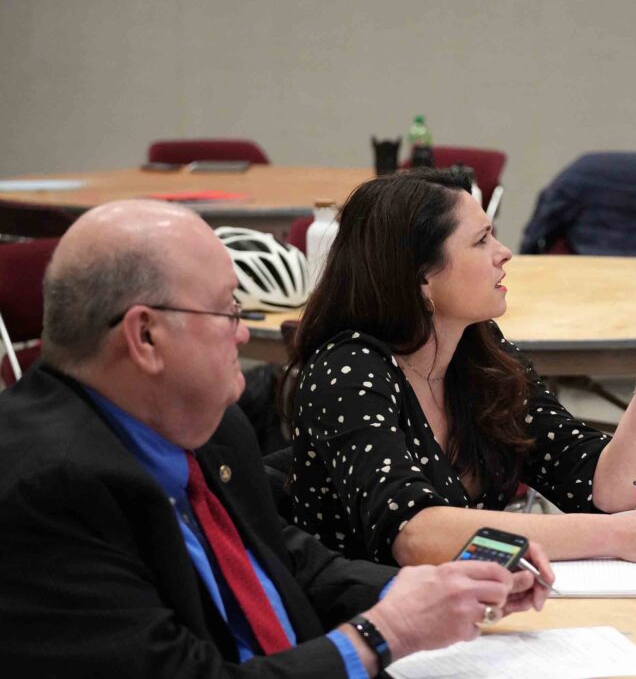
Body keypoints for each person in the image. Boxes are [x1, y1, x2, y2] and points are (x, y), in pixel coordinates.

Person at [0, 200, 551, 678]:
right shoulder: (47, 494)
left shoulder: (212, 429)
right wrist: (385, 633)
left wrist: (436, 592)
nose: (241, 333)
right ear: (145, 335)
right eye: (226, 310)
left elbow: (286, 560)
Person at [285, 169, 636, 566]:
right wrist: (621, 537)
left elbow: (607, 491)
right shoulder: (348, 370)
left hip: (468, 612)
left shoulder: (476, 351)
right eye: (481, 241)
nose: (504, 253)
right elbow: (415, 536)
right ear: (420, 277)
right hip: (370, 629)